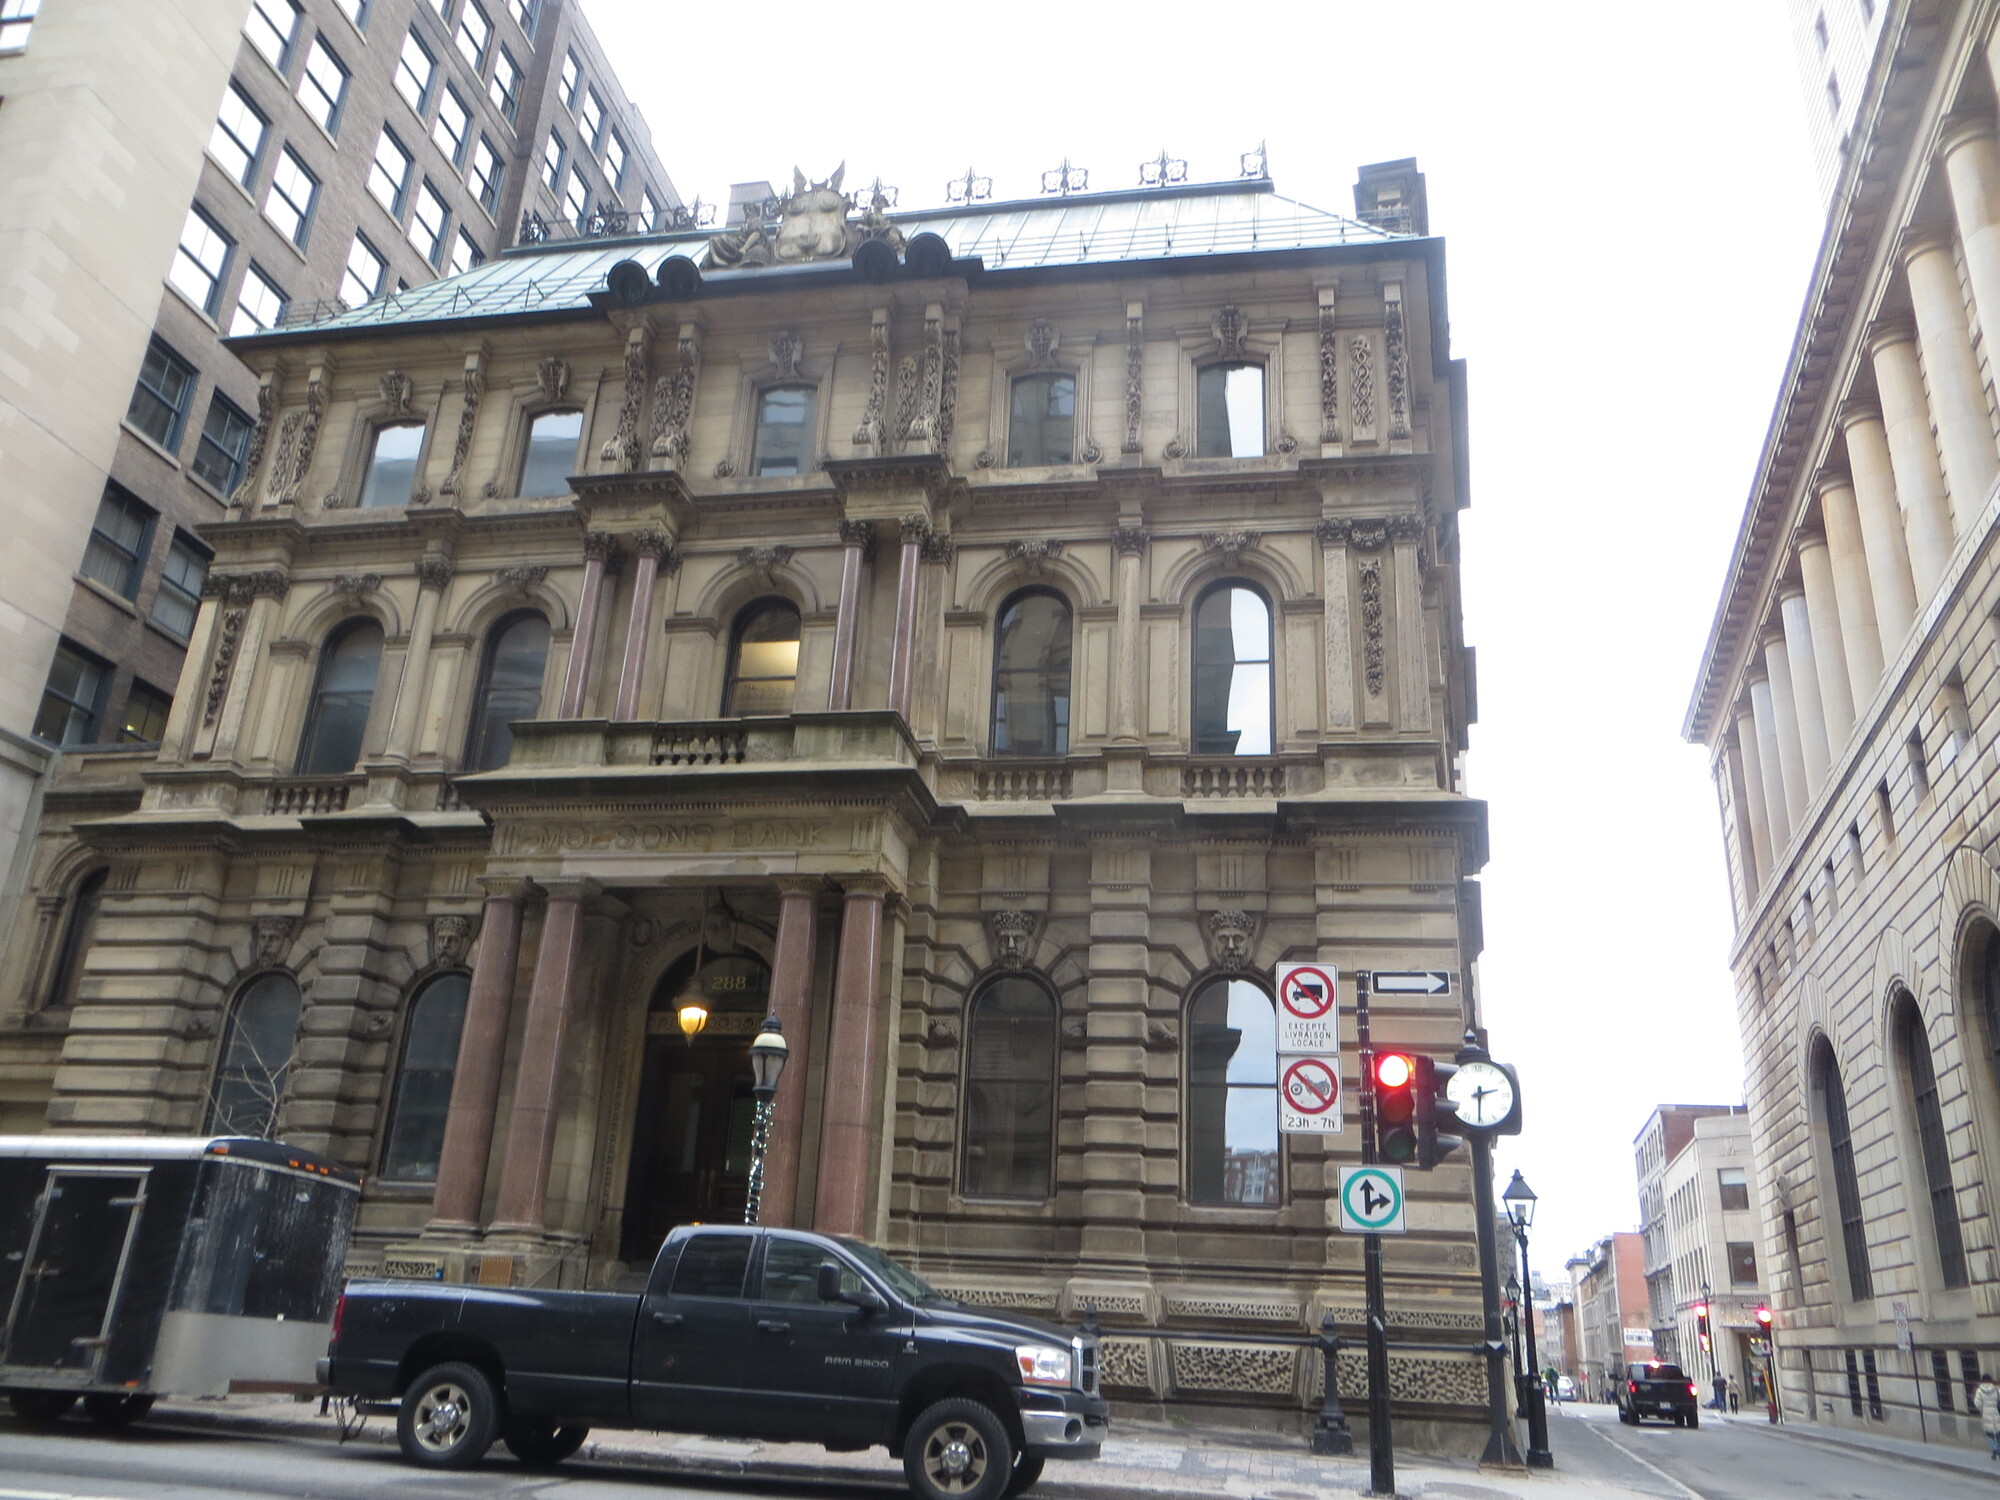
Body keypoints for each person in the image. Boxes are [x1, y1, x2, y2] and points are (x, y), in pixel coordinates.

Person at [1975, 1371, 2000, 1459]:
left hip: (1986, 1413)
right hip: (1997, 1413)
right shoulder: (1997, 1390)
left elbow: (1977, 1403)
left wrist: (1981, 1410)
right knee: (1998, 1433)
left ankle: (1995, 1449)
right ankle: (1998, 1448)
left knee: (1989, 1434)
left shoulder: (1979, 1391)